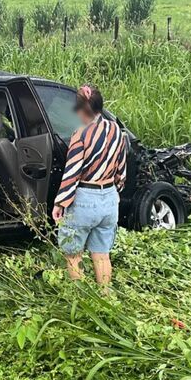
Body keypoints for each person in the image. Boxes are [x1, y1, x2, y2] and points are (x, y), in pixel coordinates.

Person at [52, 84, 127, 291]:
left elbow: (72, 172)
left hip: (85, 198)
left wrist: (60, 202)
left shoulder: (81, 134)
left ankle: (81, 299)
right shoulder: (117, 131)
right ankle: (105, 296)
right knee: (102, 254)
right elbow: (121, 170)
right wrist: (113, 191)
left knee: (73, 253)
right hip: (110, 198)